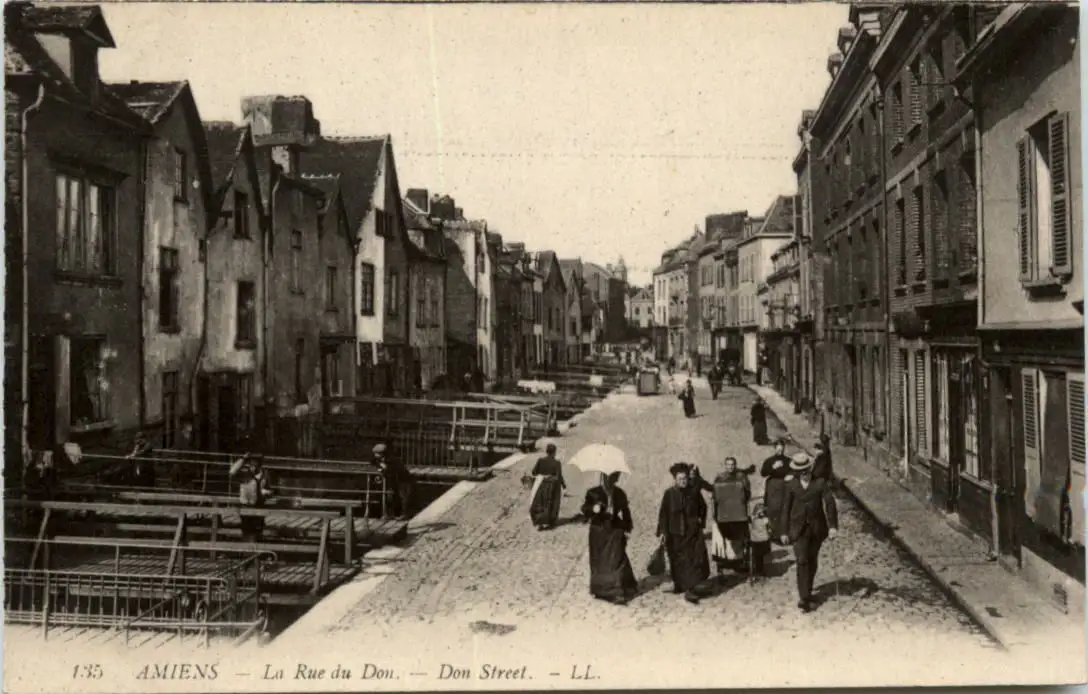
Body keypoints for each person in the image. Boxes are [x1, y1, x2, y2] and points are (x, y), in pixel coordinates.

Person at [778, 452, 839, 613]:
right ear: (797, 471)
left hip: (817, 529)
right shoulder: (791, 485)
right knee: (802, 560)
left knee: (812, 561)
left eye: (806, 470)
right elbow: (785, 509)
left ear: (810, 468)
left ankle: (808, 591)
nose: (804, 474)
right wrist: (783, 531)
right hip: (798, 530)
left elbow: (830, 504)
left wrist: (832, 526)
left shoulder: (820, 483)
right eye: (801, 471)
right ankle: (803, 598)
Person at [656, 463, 712, 604]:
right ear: (675, 480)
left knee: (694, 560)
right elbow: (663, 514)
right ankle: (680, 585)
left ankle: (691, 590)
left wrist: (700, 522)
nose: (683, 481)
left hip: (692, 532)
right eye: (680, 479)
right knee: (677, 561)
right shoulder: (669, 494)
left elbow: (703, 507)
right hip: (675, 532)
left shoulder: (694, 492)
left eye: (685, 478)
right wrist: (662, 532)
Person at [582, 472, 638, 605]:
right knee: (600, 562)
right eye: (610, 477)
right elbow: (585, 509)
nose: (612, 480)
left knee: (616, 560)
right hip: (598, 532)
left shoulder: (619, 493)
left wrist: (627, 529)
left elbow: (626, 512)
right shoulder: (593, 493)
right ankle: (601, 589)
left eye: (615, 477)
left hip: (615, 531)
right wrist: (593, 508)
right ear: (604, 476)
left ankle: (616, 592)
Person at [711, 457, 751, 575]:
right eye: (728, 464)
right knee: (725, 539)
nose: (730, 467)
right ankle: (726, 562)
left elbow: (747, 494)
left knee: (739, 538)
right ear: (725, 465)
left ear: (735, 465)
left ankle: (740, 561)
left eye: (732, 464)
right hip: (724, 514)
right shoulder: (719, 478)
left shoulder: (742, 477)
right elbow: (715, 496)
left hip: (739, 514)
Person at [233, 454, 271, 543]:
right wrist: (242, 459)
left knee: (258, 532)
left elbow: (270, 489)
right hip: (246, 506)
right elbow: (232, 472)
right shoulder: (244, 474)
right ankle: (246, 549)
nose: (253, 467)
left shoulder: (265, 475)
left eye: (255, 464)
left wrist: (267, 492)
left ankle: (256, 550)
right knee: (247, 531)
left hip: (259, 506)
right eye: (251, 464)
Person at [529, 443, 566, 530]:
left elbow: (534, 472)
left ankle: (539, 522)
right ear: (554, 452)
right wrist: (564, 486)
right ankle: (551, 522)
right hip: (552, 486)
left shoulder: (540, 460)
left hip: (541, 484)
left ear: (546, 451)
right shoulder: (557, 463)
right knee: (552, 503)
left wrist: (542, 475)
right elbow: (559, 476)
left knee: (540, 503)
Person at [760, 439, 792, 539]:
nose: (780, 451)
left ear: (784, 448)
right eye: (778, 449)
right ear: (774, 448)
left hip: (785, 485)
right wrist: (773, 467)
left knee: (785, 507)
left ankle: (783, 533)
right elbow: (763, 473)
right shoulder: (769, 461)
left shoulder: (788, 460)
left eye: (781, 449)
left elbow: (794, 471)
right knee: (773, 508)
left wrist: (791, 476)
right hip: (773, 486)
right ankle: (773, 533)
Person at [374, 443, 413, 519]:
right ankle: (392, 514)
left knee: (403, 497)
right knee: (393, 496)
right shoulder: (380, 460)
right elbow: (373, 462)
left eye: (376, 453)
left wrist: (384, 469)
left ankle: (404, 514)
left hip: (403, 480)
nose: (375, 455)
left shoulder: (392, 460)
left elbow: (392, 470)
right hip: (395, 480)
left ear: (382, 454)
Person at [748, 503, 772, 582]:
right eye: (760, 512)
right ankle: (757, 571)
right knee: (756, 557)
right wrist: (754, 517)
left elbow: (769, 527)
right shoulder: (753, 518)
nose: (761, 514)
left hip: (763, 540)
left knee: (760, 557)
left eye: (763, 512)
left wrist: (769, 530)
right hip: (755, 540)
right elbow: (749, 520)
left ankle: (760, 571)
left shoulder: (765, 519)